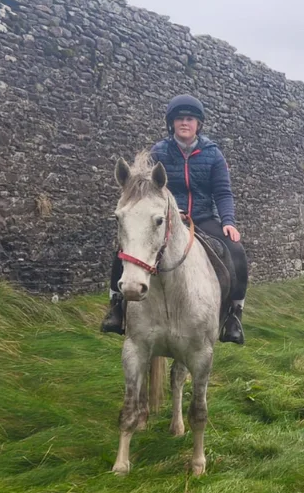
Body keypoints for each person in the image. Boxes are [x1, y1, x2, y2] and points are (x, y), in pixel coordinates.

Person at [101, 94, 249, 345]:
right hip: (169, 217)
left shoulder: (214, 155)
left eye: (190, 119)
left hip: (203, 217)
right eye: (179, 119)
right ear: (171, 123)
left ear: (198, 124)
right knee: (124, 250)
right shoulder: (160, 152)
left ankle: (234, 315)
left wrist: (228, 222)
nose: (184, 123)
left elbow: (223, 192)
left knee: (236, 251)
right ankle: (116, 306)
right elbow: (149, 190)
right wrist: (171, 212)